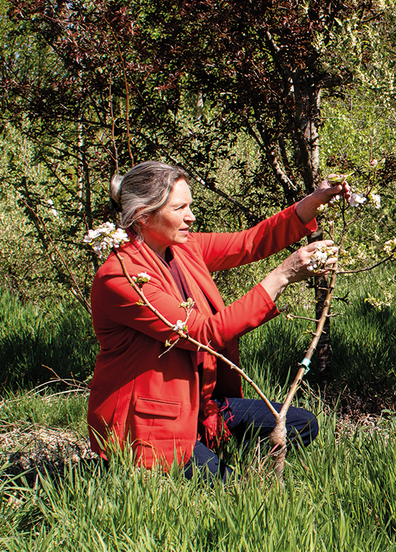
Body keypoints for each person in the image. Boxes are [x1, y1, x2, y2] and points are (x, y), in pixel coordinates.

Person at [86, 161, 347, 479]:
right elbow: (202, 332)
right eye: (180, 207)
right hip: (152, 425)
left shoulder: (181, 249)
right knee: (233, 495)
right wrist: (281, 276)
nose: (191, 216)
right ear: (143, 216)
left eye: (190, 205)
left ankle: (243, 466)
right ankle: (217, 472)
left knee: (300, 423)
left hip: (202, 405)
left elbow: (250, 242)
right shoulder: (121, 277)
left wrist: (315, 199)